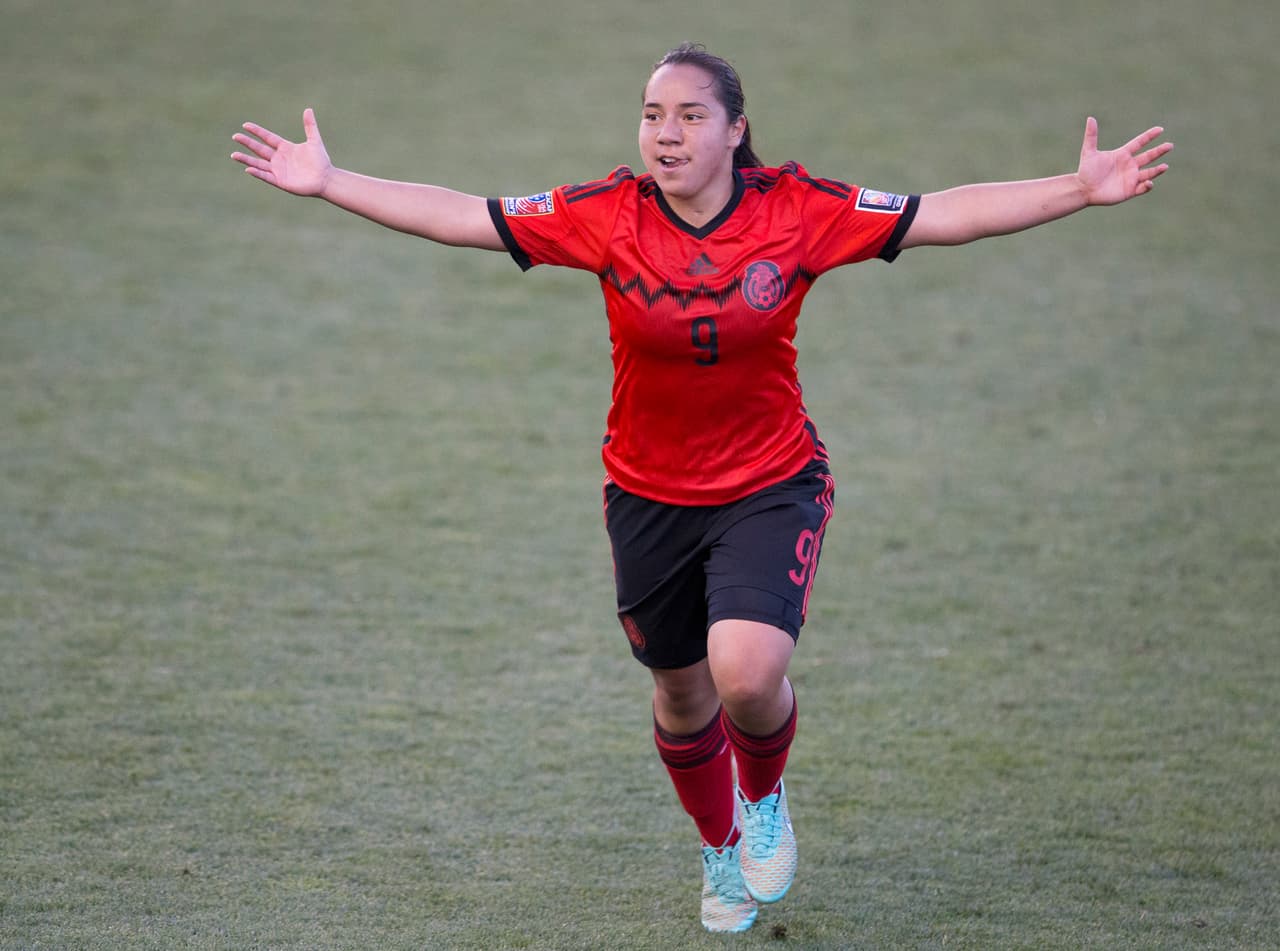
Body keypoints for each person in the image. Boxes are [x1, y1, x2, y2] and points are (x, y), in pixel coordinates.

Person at [231, 42, 1172, 934]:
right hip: (646, 497)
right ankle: (720, 850)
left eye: (689, 115)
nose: (666, 133)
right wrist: (330, 183)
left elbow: (944, 212)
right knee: (681, 699)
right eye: (651, 115)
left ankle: (762, 800)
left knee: (746, 673)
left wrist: (1078, 191)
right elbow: (461, 214)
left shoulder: (797, 209)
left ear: (734, 130)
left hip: (771, 483)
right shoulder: (607, 213)